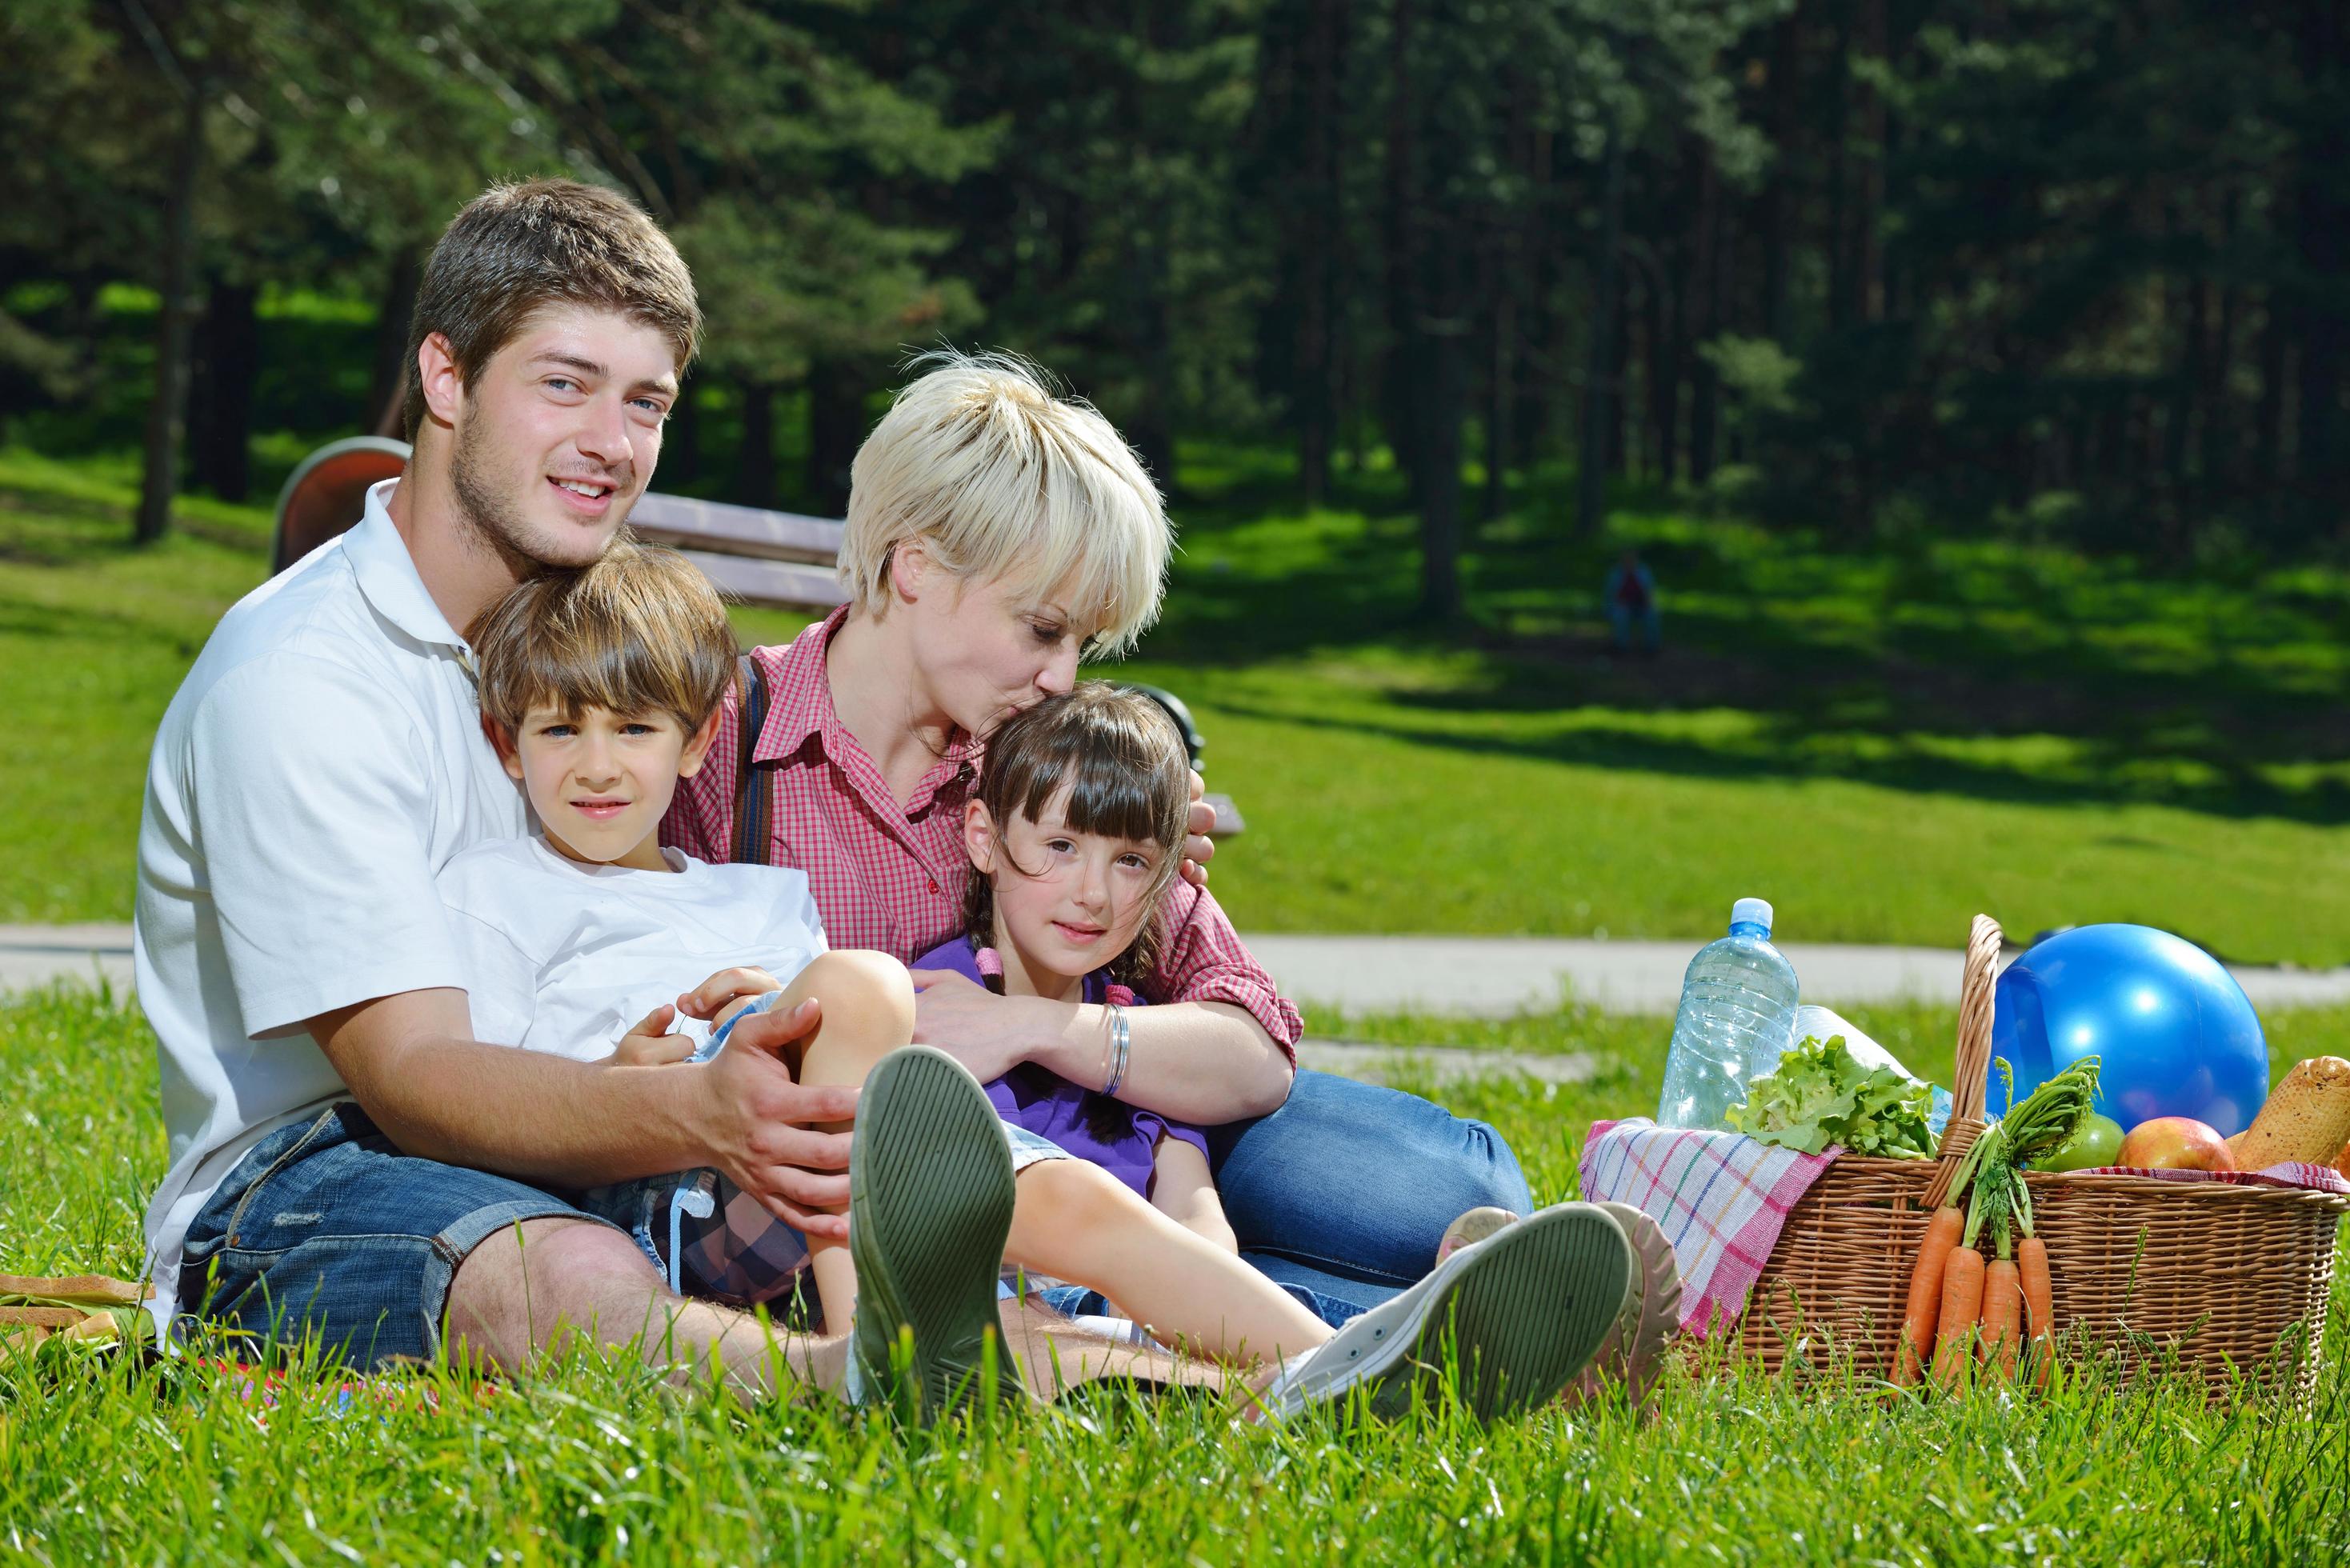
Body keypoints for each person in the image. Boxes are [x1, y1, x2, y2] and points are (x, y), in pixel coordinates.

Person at [133, 179, 1171, 1407]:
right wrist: (694, 1110)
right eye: (564, 384)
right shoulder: (307, 675)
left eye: (647, 403)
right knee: (563, 1271)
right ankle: (847, 1382)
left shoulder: (587, 654)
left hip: (575, 1119)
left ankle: (1296, 1356)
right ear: (447, 379)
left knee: (1013, 1189)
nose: (611, 444)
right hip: (308, 1176)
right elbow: (410, 1076)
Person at [442, 558, 1634, 1414]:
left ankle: (1322, 1380)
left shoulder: (756, 889)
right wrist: (617, 1085)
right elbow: (484, 1095)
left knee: (1067, 1243)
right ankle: (871, 1350)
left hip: (866, 1143)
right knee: (867, 995)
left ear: (686, 745)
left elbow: (1241, 1015)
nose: (599, 764)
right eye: (561, 733)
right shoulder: (501, 889)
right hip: (710, 1185)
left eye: (633, 732)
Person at [663, 353, 1535, 1322]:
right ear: (915, 564)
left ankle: (1417, 1304)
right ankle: (1425, 1327)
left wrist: (1038, 1027)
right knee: (1367, 1252)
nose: (1060, 676)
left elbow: (1251, 1046)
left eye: (1083, 644)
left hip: (1109, 1116)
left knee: (1450, 1190)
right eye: (1042, 630)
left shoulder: (1045, 756)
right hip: (891, 1195)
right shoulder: (723, 743)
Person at [1605, 549, 1661, 653]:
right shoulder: (1616, 574)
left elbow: (1649, 592)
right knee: (1620, 614)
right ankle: (1621, 647)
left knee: (1651, 615)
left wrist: (1650, 604)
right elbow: (1611, 595)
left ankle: (1651, 647)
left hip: (1641, 605)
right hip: (1623, 606)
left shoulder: (1644, 572)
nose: (1629, 562)